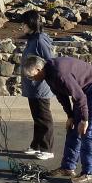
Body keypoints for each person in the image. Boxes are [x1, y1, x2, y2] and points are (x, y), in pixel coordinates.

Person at [21, 55, 92, 183]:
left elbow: (80, 98)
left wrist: (84, 119)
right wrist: (70, 116)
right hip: (82, 91)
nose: (31, 80)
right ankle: (68, 167)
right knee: (73, 128)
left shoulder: (60, 73)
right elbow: (61, 95)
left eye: (31, 76)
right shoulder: (48, 75)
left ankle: (88, 173)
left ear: (39, 69)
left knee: (88, 131)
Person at [20, 10, 55, 161]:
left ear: (31, 24)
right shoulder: (32, 39)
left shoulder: (40, 40)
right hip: (32, 85)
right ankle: (36, 145)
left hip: (40, 86)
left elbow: (49, 61)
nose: (22, 26)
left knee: (44, 117)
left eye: (24, 23)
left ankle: (47, 148)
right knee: (37, 118)